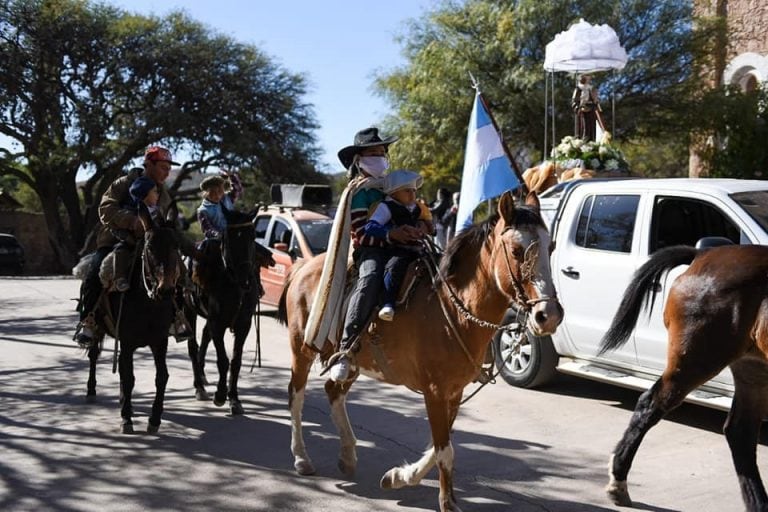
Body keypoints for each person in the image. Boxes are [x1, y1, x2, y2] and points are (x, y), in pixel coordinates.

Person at [75, 145, 196, 347]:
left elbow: (170, 226)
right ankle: (89, 321)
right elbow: (106, 209)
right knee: (94, 274)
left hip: (153, 245)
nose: (167, 172)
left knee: (173, 275)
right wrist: (132, 221)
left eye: (168, 168)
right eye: (163, 167)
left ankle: (176, 319)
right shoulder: (123, 184)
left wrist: (193, 249)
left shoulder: (163, 193)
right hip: (115, 241)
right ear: (148, 164)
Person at [328, 127, 422, 382]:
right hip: (370, 250)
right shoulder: (358, 192)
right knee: (370, 278)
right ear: (359, 160)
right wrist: (392, 236)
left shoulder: (394, 184)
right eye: (373, 153)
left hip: (401, 247)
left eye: (382, 152)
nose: (380, 157)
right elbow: (359, 233)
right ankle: (345, 349)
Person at [364, 170, 432, 321]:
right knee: (395, 266)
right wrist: (391, 233)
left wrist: (425, 227)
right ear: (393, 192)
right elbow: (370, 227)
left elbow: (429, 225)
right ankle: (387, 303)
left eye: (414, 190)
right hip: (398, 248)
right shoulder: (386, 207)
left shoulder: (417, 208)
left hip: (420, 248)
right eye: (407, 191)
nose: (412, 195)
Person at [111, 175, 160, 292]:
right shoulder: (129, 211)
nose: (157, 195)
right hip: (132, 243)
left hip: (153, 244)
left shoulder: (157, 212)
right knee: (120, 250)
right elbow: (115, 229)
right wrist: (127, 237)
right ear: (144, 195)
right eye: (154, 192)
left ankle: (181, 277)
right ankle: (120, 278)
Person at [197, 171, 242, 240]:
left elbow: (237, 189)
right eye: (213, 192)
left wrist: (231, 176)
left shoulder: (227, 198)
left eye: (220, 191)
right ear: (206, 193)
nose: (217, 195)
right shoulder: (203, 210)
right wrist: (218, 235)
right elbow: (207, 229)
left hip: (234, 237)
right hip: (216, 241)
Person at [571, 74, 602, 142]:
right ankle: (583, 141)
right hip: (582, 111)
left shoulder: (591, 88)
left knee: (592, 128)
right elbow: (574, 101)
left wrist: (596, 101)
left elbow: (595, 100)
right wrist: (578, 108)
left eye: (589, 77)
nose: (588, 78)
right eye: (586, 77)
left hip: (591, 110)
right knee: (584, 128)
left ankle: (592, 141)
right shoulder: (578, 88)